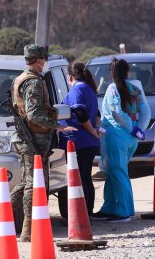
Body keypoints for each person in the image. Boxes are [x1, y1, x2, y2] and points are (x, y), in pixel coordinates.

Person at [0, 44, 76, 241]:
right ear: (38, 60)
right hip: (32, 139)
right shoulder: (33, 81)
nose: (44, 62)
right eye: (43, 59)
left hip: (28, 138)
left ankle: (0, 218)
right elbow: (34, 113)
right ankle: (28, 230)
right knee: (33, 184)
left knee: (28, 181)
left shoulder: (21, 78)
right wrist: (57, 125)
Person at [93, 58, 150, 223]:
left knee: (118, 173)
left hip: (116, 136)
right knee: (113, 173)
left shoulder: (112, 89)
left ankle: (124, 212)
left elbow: (117, 113)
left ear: (111, 73)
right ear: (127, 72)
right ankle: (109, 208)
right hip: (131, 138)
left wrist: (130, 128)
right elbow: (145, 110)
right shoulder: (136, 88)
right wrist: (138, 128)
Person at [59, 61, 101, 216]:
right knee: (85, 177)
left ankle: (83, 213)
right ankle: (87, 211)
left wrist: (92, 131)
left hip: (80, 142)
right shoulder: (89, 88)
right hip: (87, 141)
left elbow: (81, 114)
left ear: (70, 77)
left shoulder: (78, 89)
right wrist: (96, 129)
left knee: (81, 178)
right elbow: (97, 114)